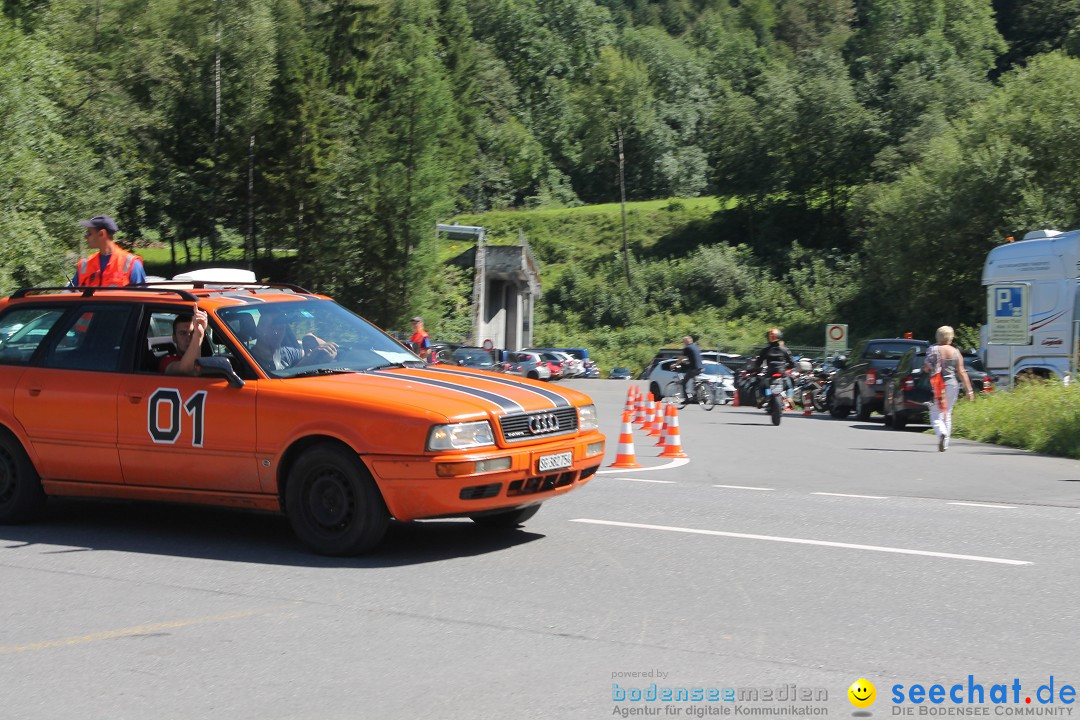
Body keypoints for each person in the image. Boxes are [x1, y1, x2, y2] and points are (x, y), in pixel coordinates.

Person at [924, 325, 974, 452]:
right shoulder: (956, 352)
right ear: (951, 337)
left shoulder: (933, 350)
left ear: (938, 336)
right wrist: (969, 390)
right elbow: (961, 372)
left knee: (935, 413)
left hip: (937, 384)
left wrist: (928, 371)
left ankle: (941, 433)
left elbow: (927, 367)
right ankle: (945, 444)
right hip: (952, 385)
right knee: (948, 413)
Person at [73, 215, 147, 287]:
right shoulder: (84, 264)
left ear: (101, 234)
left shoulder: (132, 263)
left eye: (89, 233)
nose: (85, 237)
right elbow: (70, 293)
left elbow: (141, 296)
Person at [251, 312, 338, 372]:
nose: (277, 333)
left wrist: (310, 337)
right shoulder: (251, 360)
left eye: (281, 329)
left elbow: (315, 351)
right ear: (259, 329)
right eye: (272, 328)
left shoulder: (286, 353)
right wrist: (309, 358)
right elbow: (280, 382)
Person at [750, 328, 795, 405]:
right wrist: (787, 367)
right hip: (781, 372)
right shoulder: (785, 350)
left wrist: (757, 369)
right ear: (779, 337)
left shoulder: (765, 350)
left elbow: (758, 362)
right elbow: (792, 363)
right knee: (789, 387)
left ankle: (763, 397)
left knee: (762, 385)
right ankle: (789, 397)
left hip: (770, 372)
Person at [159, 307, 208, 375]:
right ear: (174, 338)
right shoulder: (167, 360)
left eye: (192, 333)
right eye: (183, 333)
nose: (188, 338)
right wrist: (198, 334)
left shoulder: (207, 359)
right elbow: (186, 370)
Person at [672, 335, 704, 401]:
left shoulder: (687, 348)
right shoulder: (696, 347)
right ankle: (695, 395)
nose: (683, 343)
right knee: (694, 381)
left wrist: (675, 364)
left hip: (694, 368)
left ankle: (687, 399)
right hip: (701, 367)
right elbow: (694, 358)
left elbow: (681, 358)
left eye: (683, 341)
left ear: (686, 342)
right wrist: (687, 362)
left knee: (683, 382)